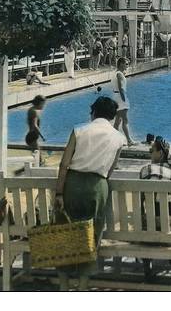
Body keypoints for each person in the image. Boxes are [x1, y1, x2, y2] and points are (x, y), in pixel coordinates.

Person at [54, 96, 127, 290]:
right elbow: (111, 169)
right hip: (97, 187)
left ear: (93, 112)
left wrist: (59, 193)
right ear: (112, 117)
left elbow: (64, 164)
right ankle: (83, 285)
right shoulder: (119, 138)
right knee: (91, 235)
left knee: (64, 233)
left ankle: (63, 284)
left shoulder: (79, 130)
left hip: (73, 184)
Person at [112, 57, 135, 146]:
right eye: (126, 64)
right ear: (121, 64)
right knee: (125, 120)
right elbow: (121, 88)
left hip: (115, 96)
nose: (127, 65)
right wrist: (124, 99)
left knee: (118, 120)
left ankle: (114, 139)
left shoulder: (116, 73)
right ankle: (129, 140)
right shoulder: (120, 75)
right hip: (120, 98)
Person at [25, 95, 47, 166]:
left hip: (31, 136)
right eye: (43, 104)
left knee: (37, 158)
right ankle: (19, 172)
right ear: (40, 103)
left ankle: (20, 172)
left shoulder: (31, 109)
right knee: (39, 159)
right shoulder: (34, 112)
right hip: (32, 137)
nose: (44, 106)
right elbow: (35, 125)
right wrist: (42, 136)